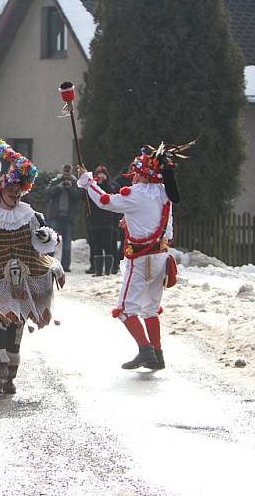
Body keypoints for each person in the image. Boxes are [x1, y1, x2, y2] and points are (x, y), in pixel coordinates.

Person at [0, 140, 63, 394]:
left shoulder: (32, 216)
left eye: (18, 192)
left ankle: (9, 378)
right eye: (11, 193)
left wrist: (47, 240)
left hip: (23, 281)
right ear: (0, 193)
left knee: (15, 329)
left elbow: (45, 244)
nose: (15, 196)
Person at [76, 142, 191, 371]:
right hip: (160, 256)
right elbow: (158, 224)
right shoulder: (163, 192)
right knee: (150, 308)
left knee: (125, 309)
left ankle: (145, 350)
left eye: (135, 173)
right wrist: (130, 220)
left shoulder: (136, 194)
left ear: (141, 174)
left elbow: (105, 201)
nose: (132, 178)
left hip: (140, 259)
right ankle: (157, 354)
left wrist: (87, 181)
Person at [46, 164, 83, 272]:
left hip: (68, 217)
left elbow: (78, 197)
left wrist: (70, 188)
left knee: (67, 244)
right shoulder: (55, 181)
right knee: (51, 242)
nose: (66, 176)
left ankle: (65, 266)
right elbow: (47, 194)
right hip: (55, 216)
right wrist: (59, 187)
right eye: (65, 173)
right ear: (62, 172)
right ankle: (49, 264)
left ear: (71, 172)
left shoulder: (76, 183)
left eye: (68, 173)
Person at [85, 165, 118, 276]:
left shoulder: (110, 185)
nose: (100, 175)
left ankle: (108, 270)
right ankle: (98, 271)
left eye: (102, 173)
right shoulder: (91, 186)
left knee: (108, 245)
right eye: (98, 173)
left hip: (107, 220)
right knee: (96, 246)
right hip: (94, 220)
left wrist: (104, 183)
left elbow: (111, 194)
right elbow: (84, 197)